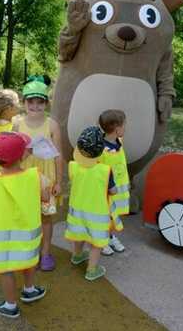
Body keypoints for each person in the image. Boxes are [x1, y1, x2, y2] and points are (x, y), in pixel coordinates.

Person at [0, 132, 49, 319]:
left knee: (7, 270)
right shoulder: (35, 177)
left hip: (3, 236)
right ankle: (29, 290)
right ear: (22, 156)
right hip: (28, 233)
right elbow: (45, 197)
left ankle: (10, 305)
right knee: (29, 261)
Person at [13, 76, 63, 271]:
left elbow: (59, 156)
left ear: (46, 103)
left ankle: (45, 252)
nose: (35, 105)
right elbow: (13, 155)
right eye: (30, 101)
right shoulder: (17, 124)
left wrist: (59, 182)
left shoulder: (52, 125)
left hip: (46, 179)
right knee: (25, 217)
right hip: (24, 176)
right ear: (24, 102)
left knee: (45, 217)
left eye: (40, 101)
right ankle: (29, 251)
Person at [65, 126, 123, 281]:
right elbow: (113, 191)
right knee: (96, 243)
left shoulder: (73, 166)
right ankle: (92, 269)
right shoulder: (105, 171)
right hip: (97, 214)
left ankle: (77, 256)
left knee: (79, 234)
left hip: (77, 210)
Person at [98, 109, 129, 255]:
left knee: (115, 216)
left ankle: (110, 236)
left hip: (121, 191)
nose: (126, 128)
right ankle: (102, 239)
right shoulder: (101, 151)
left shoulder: (119, 142)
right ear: (117, 129)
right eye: (124, 125)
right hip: (108, 192)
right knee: (106, 217)